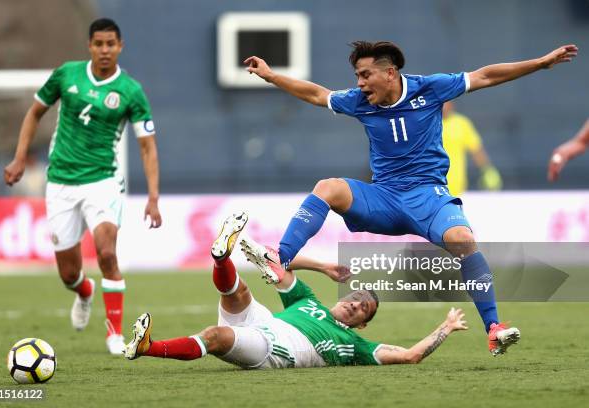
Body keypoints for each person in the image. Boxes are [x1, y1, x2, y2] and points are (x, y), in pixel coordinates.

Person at [244, 41, 577, 355]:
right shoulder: (360, 102)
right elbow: (318, 95)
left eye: (365, 75)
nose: (359, 84)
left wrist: (542, 63)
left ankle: (493, 328)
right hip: (384, 197)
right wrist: (271, 75)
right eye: (357, 76)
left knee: (462, 239)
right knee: (328, 187)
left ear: (390, 73)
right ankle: (279, 258)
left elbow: (486, 75)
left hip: (428, 196)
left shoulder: (429, 88)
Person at [124, 213, 468, 368]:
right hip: (265, 322)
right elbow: (278, 266)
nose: (356, 305)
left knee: (216, 336)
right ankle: (220, 258)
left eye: (364, 309)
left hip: (274, 349)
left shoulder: (356, 346)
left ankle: (148, 348)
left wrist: (446, 327)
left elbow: (410, 356)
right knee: (239, 293)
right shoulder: (308, 299)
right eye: (356, 298)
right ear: (345, 297)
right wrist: (325, 267)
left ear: (362, 324)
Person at [3, 18, 162, 354]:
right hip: (60, 181)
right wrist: (19, 158)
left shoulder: (131, 91)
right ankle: (84, 292)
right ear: (90, 46)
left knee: (106, 252)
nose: (104, 50)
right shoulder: (66, 75)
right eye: (98, 44)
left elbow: (147, 146)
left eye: (111, 44)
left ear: (120, 47)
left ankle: (114, 334)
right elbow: (34, 113)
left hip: (103, 181)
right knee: (68, 273)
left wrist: (152, 196)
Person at [442, 101, 502, 196]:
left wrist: (487, 170)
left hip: (457, 187)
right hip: (432, 185)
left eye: (447, 102)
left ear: (452, 104)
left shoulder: (461, 123)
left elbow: (476, 149)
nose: (444, 106)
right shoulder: (429, 123)